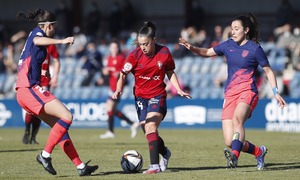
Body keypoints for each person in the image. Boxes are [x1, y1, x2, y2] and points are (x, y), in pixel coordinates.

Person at [179, 13, 286, 170]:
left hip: (247, 91)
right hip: (230, 93)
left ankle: (234, 157)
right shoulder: (228, 45)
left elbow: (268, 71)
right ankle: (259, 152)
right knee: (230, 141)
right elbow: (208, 53)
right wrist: (191, 47)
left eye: (237, 29)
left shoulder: (255, 49)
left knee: (237, 120)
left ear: (246, 30)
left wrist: (275, 92)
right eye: (232, 29)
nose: (233, 32)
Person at [15, 9, 98, 176]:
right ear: (48, 26)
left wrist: (43, 73)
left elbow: (30, 61)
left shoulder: (36, 36)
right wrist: (62, 41)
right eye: (54, 27)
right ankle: (44, 155)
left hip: (26, 90)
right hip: (28, 89)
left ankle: (80, 167)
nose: (55, 29)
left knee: (60, 128)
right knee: (67, 116)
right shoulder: (37, 34)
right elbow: (38, 40)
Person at [112, 21, 191, 174]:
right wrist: (118, 89)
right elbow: (122, 74)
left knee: (150, 127)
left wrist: (178, 89)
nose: (143, 47)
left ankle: (154, 166)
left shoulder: (164, 53)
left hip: (158, 95)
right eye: (140, 44)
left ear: (153, 40)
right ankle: (165, 153)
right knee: (148, 132)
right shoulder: (134, 56)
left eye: (146, 44)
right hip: (140, 98)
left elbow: (169, 72)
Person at [100, 40, 139, 139]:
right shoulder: (108, 58)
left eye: (115, 47)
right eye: (112, 47)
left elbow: (127, 70)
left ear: (118, 48)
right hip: (111, 86)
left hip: (118, 87)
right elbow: (107, 71)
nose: (114, 49)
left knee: (109, 109)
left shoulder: (121, 58)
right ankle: (132, 123)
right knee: (111, 111)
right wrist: (105, 72)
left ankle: (111, 131)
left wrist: (119, 73)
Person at [22, 44, 60, 145]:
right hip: (32, 80)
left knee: (40, 111)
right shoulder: (33, 42)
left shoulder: (51, 45)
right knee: (30, 110)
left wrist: (56, 76)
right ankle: (26, 132)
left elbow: (56, 60)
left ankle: (33, 136)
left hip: (44, 82)